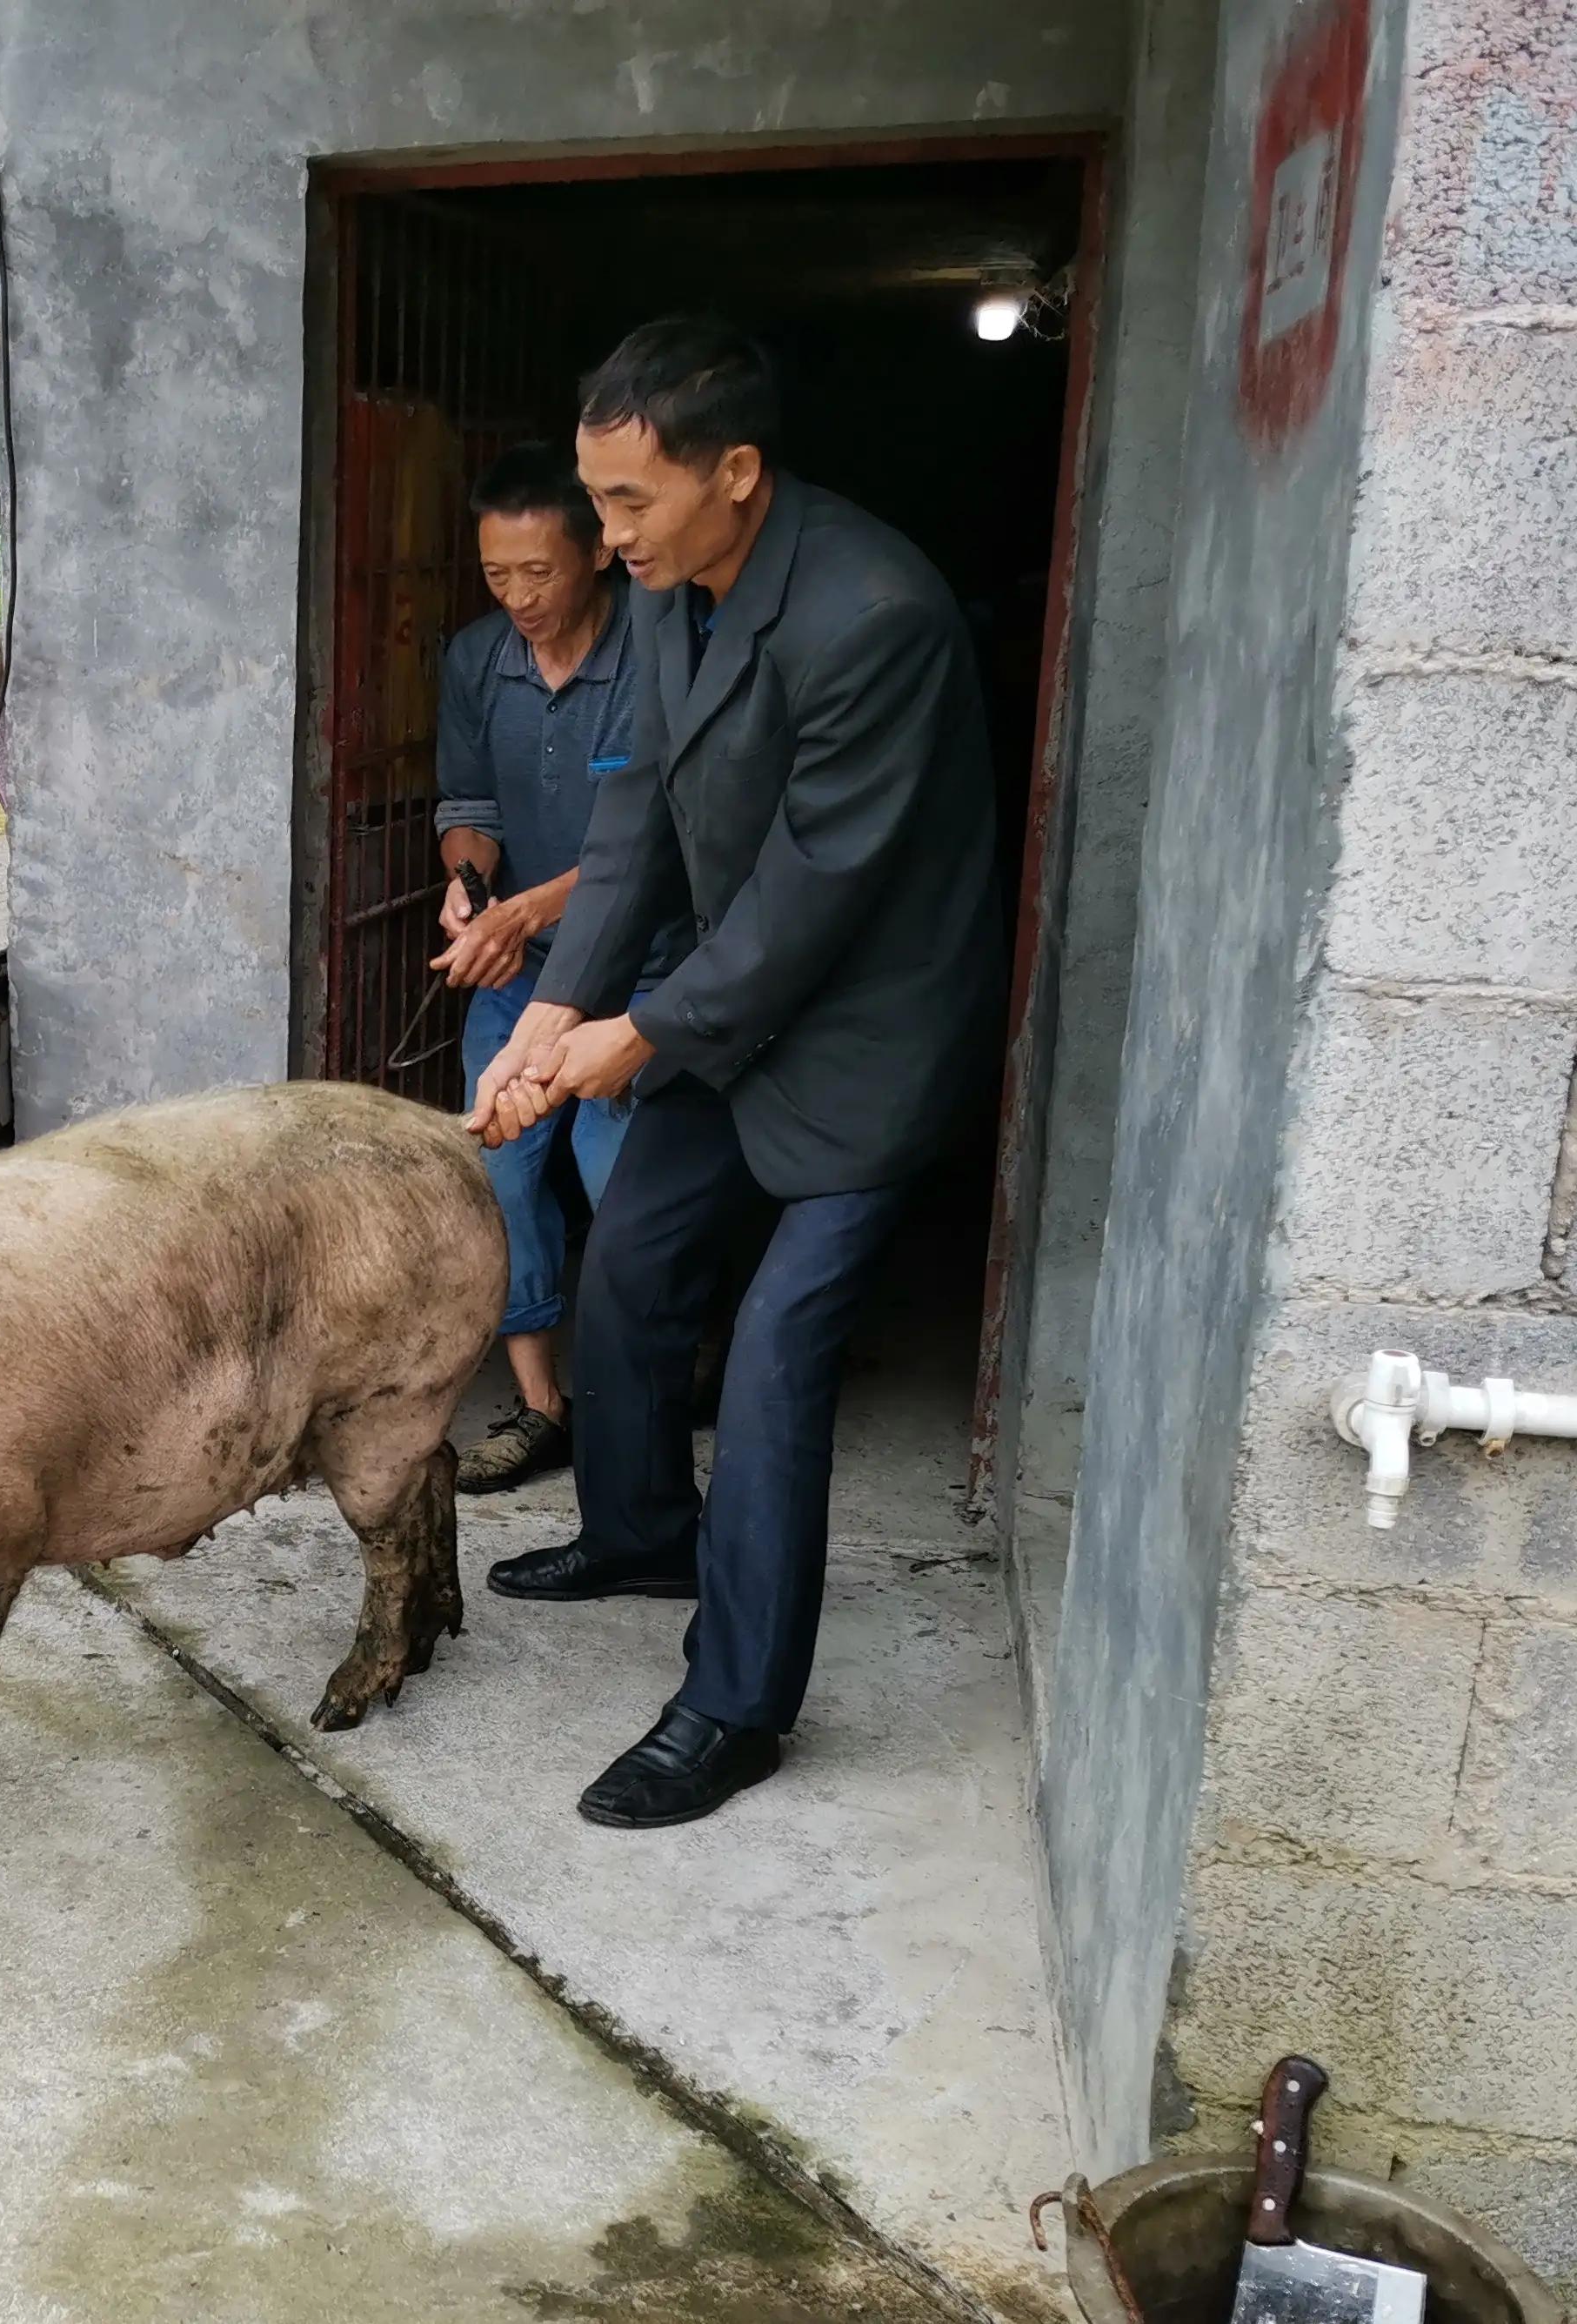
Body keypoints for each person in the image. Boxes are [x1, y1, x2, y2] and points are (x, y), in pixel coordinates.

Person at [467, 318, 1003, 1831]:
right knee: (631, 1257)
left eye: (629, 500)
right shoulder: (661, 588)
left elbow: (807, 898)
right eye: (595, 496)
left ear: (739, 474)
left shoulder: (873, 613)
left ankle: (735, 1703)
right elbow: (636, 818)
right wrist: (549, 1010)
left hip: (866, 1029)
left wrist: (621, 1043)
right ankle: (638, 1531)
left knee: (774, 1353)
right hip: (726, 997)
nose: (602, 533)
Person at [431, 444, 679, 1494]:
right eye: (496, 575)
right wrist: (470, 888)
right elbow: (469, 808)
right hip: (516, 970)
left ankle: (642, 1393)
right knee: (503, 1170)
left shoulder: (658, 659)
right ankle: (539, 1407)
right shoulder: (476, 661)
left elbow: (661, 835)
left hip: (641, 970)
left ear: (598, 556)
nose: (518, 597)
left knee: (620, 1185)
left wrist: (536, 903)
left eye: (538, 573)